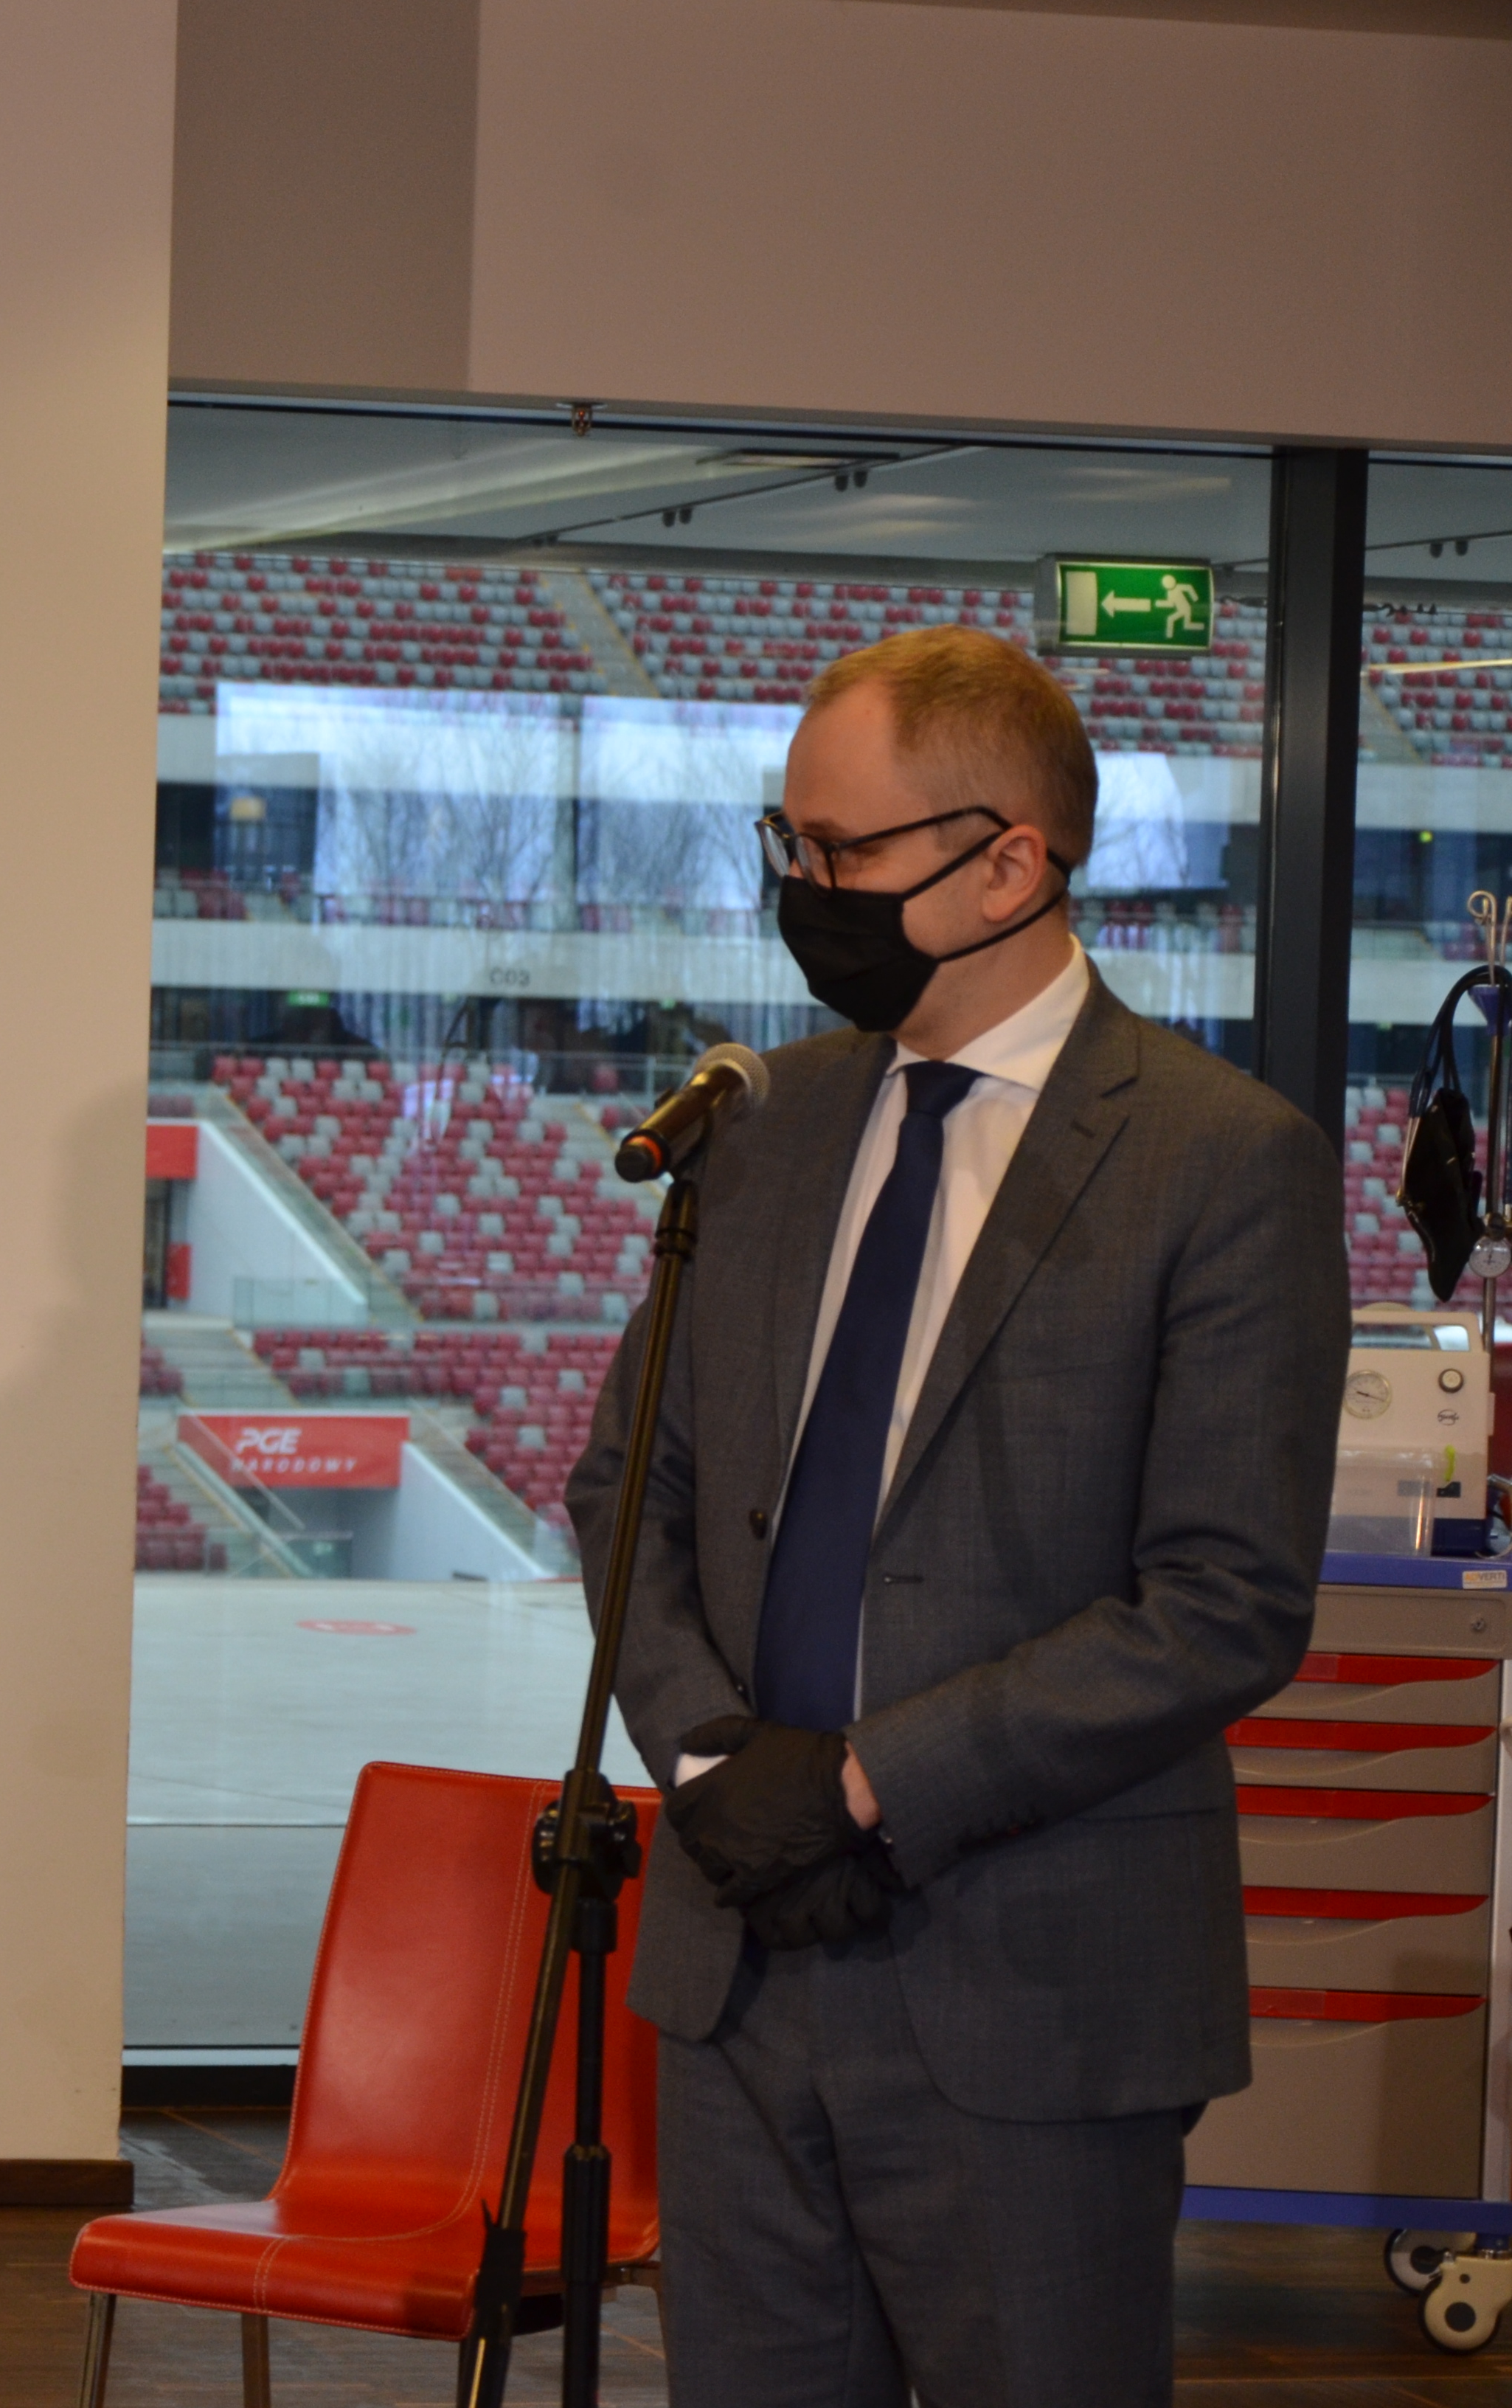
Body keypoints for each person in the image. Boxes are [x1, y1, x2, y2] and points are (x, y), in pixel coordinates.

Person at [569, 626, 1343, 2406]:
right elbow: (629, 1484)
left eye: (842, 851)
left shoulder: (1220, 1161)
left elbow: (1220, 1600)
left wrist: (859, 1784)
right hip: (737, 1965)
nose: (803, 891)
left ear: (1009, 865)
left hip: (1034, 1991)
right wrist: (713, 1759)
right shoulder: (762, 1125)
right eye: (787, 845)